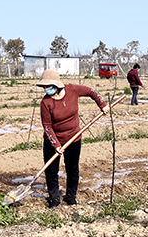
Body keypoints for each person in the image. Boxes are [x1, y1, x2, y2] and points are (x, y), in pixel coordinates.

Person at [37, 70, 109, 208]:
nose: (46, 89)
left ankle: (71, 197)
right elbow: (47, 126)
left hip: (74, 137)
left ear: (56, 85)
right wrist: (56, 145)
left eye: (48, 86)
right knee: (51, 171)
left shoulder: (72, 90)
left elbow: (91, 91)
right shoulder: (45, 103)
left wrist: (102, 104)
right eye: (44, 87)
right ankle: (54, 199)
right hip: (53, 140)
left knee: (72, 169)